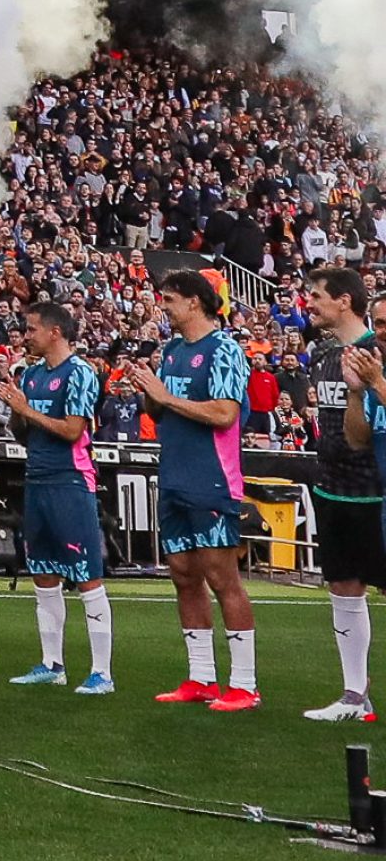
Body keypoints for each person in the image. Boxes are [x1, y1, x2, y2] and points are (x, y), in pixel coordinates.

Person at [110, 270, 258, 712]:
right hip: (174, 475)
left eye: (170, 299)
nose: (164, 307)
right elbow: (158, 410)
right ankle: (201, 677)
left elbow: (225, 413)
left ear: (195, 302)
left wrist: (165, 395)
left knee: (221, 577)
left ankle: (245, 684)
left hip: (211, 478)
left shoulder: (224, 349)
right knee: (182, 574)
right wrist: (147, 389)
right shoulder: (172, 351)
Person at [0, 299, 114, 693]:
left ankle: (102, 673)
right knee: (43, 572)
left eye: (31, 329)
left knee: (87, 574)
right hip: (38, 479)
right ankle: (51, 664)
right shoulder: (30, 375)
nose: (25, 336)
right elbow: (24, 434)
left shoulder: (80, 373)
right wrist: (14, 410)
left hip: (70, 481)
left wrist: (27, 409)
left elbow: (73, 430)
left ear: (54, 332)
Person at [299, 269, 384, 722]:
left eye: (317, 296)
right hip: (333, 487)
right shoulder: (324, 355)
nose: (309, 303)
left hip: (375, 490)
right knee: (343, 587)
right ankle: (355, 694)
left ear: (344, 300)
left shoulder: (378, 350)